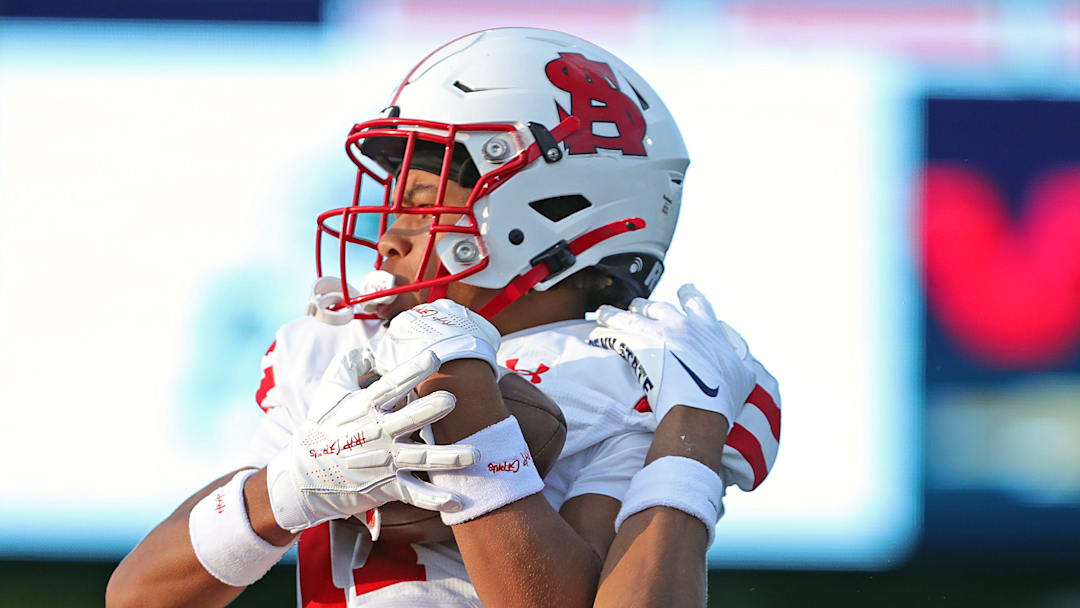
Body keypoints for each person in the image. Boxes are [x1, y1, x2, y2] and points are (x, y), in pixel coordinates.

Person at [106, 27, 780, 608]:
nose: (390, 237)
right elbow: (137, 596)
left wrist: (469, 403)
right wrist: (291, 488)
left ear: (554, 206)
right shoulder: (336, 351)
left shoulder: (627, 366)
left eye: (423, 201)